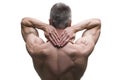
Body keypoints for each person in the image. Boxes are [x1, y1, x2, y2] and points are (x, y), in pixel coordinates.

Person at [21, 2, 101, 80]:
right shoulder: (81, 49)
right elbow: (96, 23)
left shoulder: (37, 47)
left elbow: (25, 22)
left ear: (50, 22)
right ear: (69, 23)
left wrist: (44, 26)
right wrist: (74, 28)